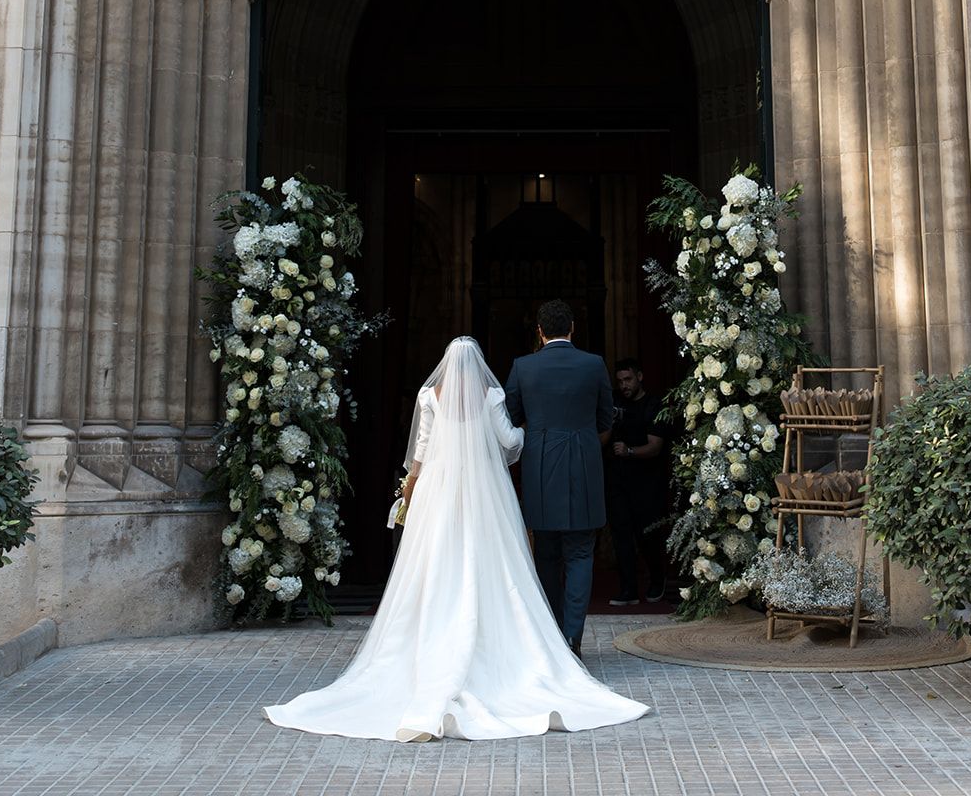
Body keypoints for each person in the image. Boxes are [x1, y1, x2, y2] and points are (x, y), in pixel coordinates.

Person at [264, 336, 648, 741]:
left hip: (438, 492)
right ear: (477, 366)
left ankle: (432, 637)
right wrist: (526, 432)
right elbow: (510, 442)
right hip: (485, 492)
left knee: (435, 562)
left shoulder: (429, 395)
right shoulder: (490, 395)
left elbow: (420, 453)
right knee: (493, 564)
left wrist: (408, 491)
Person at [504, 300, 612, 657]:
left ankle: (551, 637)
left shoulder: (523, 366)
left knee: (547, 552)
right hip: (583, 462)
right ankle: (572, 638)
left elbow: (512, 416)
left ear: (539, 331)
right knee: (581, 551)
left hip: (541, 465)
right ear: (572, 328)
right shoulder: (593, 364)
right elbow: (605, 420)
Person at [605, 358, 669, 607]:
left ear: (639, 377)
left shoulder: (653, 405)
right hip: (617, 480)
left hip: (647, 481)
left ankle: (656, 580)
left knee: (647, 535)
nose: (624, 385)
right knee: (621, 535)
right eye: (620, 381)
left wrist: (629, 451)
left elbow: (655, 447)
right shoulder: (613, 402)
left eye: (628, 379)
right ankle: (628, 589)